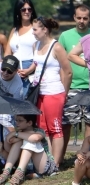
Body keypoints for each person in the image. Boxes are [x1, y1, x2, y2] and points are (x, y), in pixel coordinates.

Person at [29, 17, 72, 168]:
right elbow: (37, 65)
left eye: (35, 29)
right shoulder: (35, 45)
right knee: (43, 128)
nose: (33, 32)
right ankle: (48, 161)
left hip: (54, 92)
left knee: (55, 127)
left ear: (45, 30)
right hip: (39, 92)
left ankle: (56, 163)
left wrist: (64, 93)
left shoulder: (56, 47)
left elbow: (68, 72)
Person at [58, 5, 90, 145]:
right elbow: (59, 63)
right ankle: (61, 153)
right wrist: (62, 87)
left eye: (85, 18)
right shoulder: (65, 36)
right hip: (71, 86)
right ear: (74, 17)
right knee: (66, 122)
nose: (81, 21)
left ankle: (84, 153)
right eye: (79, 18)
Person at [0, 114, 56, 185]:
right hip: (27, 167)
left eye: (20, 121)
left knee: (30, 140)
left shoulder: (39, 131)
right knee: (19, 142)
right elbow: (8, 148)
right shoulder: (19, 132)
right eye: (16, 120)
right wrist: (4, 146)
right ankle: (6, 172)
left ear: (29, 123)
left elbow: (35, 138)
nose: (17, 123)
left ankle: (19, 174)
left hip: (43, 167)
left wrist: (15, 133)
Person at [5, 0, 37, 96]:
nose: (27, 12)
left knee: (25, 100)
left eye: (29, 9)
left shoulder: (35, 29)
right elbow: (8, 52)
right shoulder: (14, 30)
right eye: (23, 9)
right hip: (13, 69)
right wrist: (8, 68)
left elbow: (40, 54)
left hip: (29, 70)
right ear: (18, 12)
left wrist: (29, 70)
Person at [0, 57, 24, 143]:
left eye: (9, 71)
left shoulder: (18, 86)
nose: (5, 73)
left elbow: (15, 106)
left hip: (8, 106)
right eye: (3, 69)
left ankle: (13, 136)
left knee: (5, 118)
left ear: (16, 71)